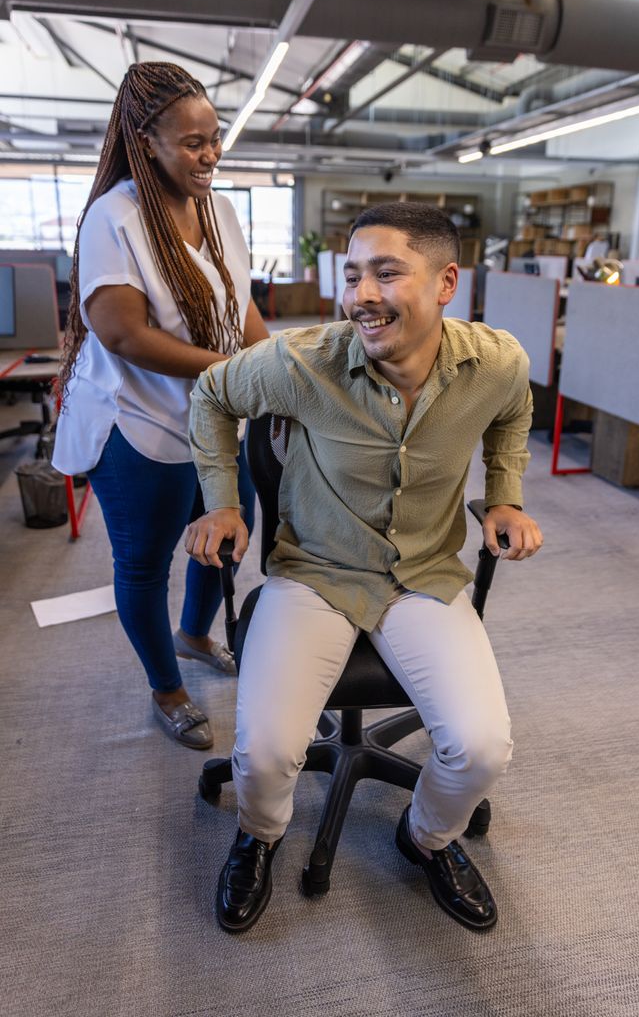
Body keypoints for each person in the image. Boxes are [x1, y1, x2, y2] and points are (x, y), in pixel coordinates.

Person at [186, 202, 543, 933]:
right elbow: (211, 396)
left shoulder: (496, 362)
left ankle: (425, 839)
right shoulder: (304, 360)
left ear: (446, 282)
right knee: (263, 757)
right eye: (353, 275)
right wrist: (224, 504)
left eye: (387, 273)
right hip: (314, 574)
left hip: (424, 576)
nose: (361, 295)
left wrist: (504, 496)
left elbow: (513, 412)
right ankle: (259, 835)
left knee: (481, 749)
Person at [53, 62, 268, 750]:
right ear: (146, 141)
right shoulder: (112, 218)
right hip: (139, 424)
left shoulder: (219, 209)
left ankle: (195, 633)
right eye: (193, 143)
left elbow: (242, 305)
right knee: (144, 563)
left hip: (215, 419)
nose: (211, 154)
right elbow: (122, 332)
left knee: (227, 535)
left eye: (215, 138)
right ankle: (166, 688)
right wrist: (236, 371)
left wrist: (277, 365)